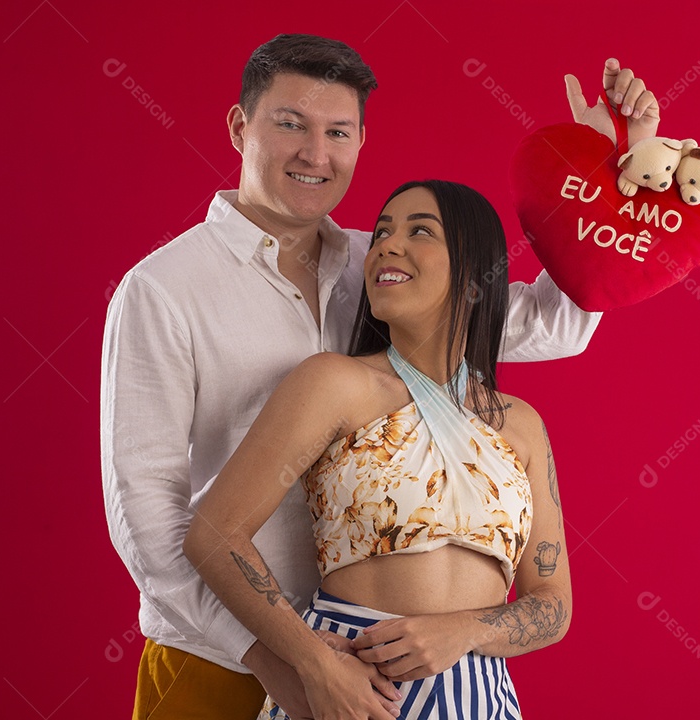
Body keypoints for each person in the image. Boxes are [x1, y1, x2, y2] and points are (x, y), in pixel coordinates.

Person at [101, 34, 659, 720]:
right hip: (219, 654)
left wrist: (597, 182)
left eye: (337, 131)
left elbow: (554, 324)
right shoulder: (164, 290)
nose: (315, 152)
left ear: (361, 142)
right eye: (289, 124)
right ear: (240, 127)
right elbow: (147, 515)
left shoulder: (383, 268)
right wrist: (282, 660)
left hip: (397, 669)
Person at [185, 179, 570, 719]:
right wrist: (313, 663)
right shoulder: (333, 384)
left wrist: (461, 631)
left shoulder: (521, 425)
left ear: (475, 277)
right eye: (383, 231)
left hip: (480, 695)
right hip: (354, 688)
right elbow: (214, 533)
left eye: (420, 231)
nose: (387, 244)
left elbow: (553, 604)